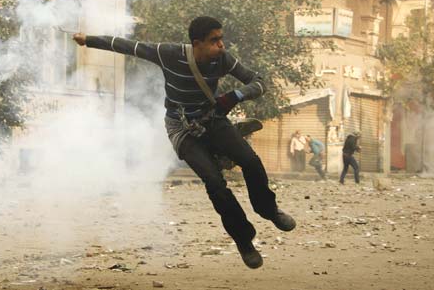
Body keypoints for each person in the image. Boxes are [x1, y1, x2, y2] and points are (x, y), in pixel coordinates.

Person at [72, 16, 295, 269]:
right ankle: (244, 240)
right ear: (197, 43)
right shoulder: (169, 54)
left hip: (213, 119)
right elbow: (127, 46)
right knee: (214, 183)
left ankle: (268, 210)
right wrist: (87, 40)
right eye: (214, 40)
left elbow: (259, 82)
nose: (221, 45)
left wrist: (235, 96)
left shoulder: (223, 59)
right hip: (182, 129)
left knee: (251, 161)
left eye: (221, 39)